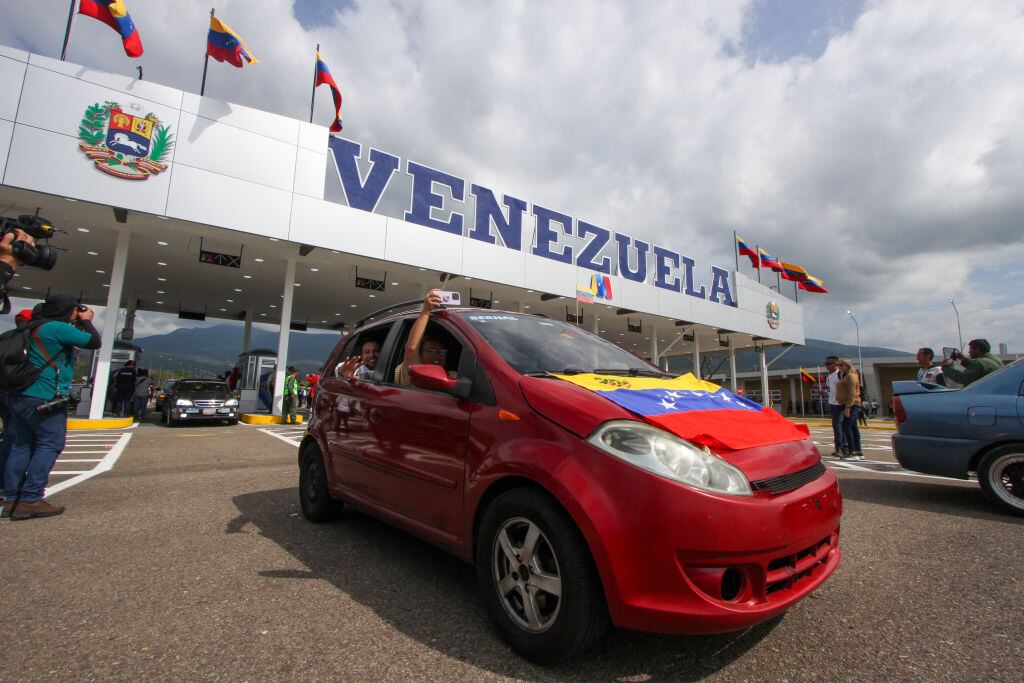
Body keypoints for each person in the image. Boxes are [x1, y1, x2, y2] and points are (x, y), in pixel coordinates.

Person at [2, 295, 101, 520]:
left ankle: (11, 499)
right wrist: (86, 321)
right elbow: (94, 342)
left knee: (21, 445)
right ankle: (31, 498)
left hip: (20, 395)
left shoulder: (32, 327)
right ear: (67, 310)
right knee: (50, 444)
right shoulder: (56, 328)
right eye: (75, 310)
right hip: (45, 397)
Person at [836, 358, 863, 460]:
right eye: (838, 365)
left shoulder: (850, 376)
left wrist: (848, 408)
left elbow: (852, 393)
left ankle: (852, 452)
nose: (839, 367)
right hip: (848, 404)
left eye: (841, 365)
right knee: (853, 427)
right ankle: (858, 451)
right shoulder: (846, 376)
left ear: (847, 366)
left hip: (852, 404)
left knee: (846, 427)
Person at [824, 356, 846, 457]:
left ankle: (841, 448)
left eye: (829, 364)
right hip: (832, 403)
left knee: (838, 426)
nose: (827, 366)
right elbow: (830, 389)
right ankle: (839, 448)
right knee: (836, 426)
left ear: (835, 364)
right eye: (826, 364)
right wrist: (824, 392)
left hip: (840, 404)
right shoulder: (830, 375)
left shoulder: (839, 374)